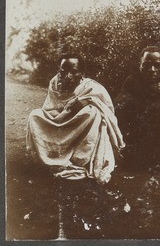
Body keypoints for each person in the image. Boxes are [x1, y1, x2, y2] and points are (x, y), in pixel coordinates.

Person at [26, 54, 125, 184]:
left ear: (82, 74)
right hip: (58, 123)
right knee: (35, 115)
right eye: (63, 72)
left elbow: (108, 112)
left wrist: (89, 101)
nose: (68, 76)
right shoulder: (55, 83)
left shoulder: (93, 88)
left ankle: (80, 160)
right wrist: (64, 113)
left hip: (79, 126)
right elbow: (49, 109)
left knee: (93, 113)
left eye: (73, 72)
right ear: (58, 71)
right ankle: (47, 156)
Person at [115, 46, 160, 170]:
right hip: (136, 140)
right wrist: (150, 92)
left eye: (157, 65)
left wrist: (141, 102)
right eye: (146, 65)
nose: (152, 70)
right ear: (140, 65)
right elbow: (120, 107)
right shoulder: (132, 81)